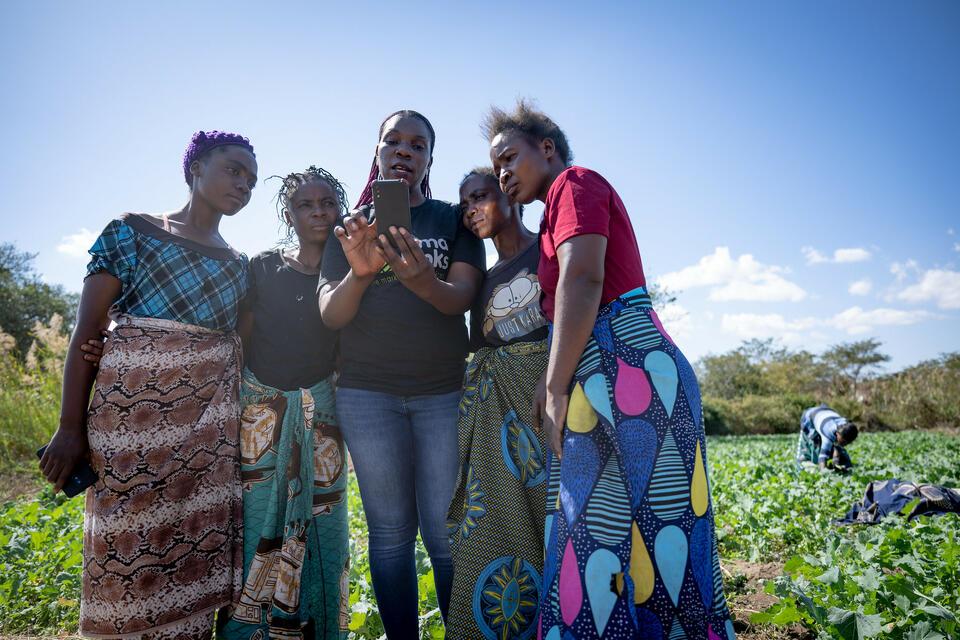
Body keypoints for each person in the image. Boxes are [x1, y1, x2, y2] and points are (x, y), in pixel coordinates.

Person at [485, 101, 735, 639]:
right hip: (593, 371)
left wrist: (553, 387)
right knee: (588, 528)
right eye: (495, 165)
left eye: (509, 157)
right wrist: (554, 383)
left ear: (546, 148)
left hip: (636, 366)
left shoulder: (575, 183)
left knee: (666, 529)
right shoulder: (551, 214)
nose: (502, 173)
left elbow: (584, 281)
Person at [41, 131, 257, 639]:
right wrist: (69, 428)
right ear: (195, 168)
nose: (243, 183)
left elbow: (239, 350)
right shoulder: (131, 232)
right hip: (126, 432)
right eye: (233, 169)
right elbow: (87, 332)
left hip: (206, 444)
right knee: (123, 550)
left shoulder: (240, 267)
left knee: (190, 550)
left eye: (250, 178)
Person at [318, 110, 485, 637]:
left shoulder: (450, 220)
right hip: (368, 394)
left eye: (418, 144)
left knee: (443, 533)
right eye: (394, 141)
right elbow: (331, 315)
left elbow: (461, 297)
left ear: (430, 159)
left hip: (441, 392)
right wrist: (363, 273)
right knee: (390, 534)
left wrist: (418, 278)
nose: (405, 151)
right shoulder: (349, 228)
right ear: (377, 151)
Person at [218, 167, 351, 639]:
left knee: (325, 530)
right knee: (257, 526)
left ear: (341, 207)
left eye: (327, 202)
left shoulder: (355, 271)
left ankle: (318, 629)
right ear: (288, 214)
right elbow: (242, 339)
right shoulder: (263, 266)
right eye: (304, 205)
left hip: (323, 412)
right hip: (261, 414)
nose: (318, 211)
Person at [445, 167, 549, 639]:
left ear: (510, 197)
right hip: (498, 433)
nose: (471, 210)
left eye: (480, 197)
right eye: (465, 203)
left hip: (553, 412)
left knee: (562, 525)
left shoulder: (547, 250)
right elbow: (482, 355)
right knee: (500, 532)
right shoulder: (482, 284)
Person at [797, 403, 858, 472]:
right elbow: (822, 458)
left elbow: (838, 446)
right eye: (843, 442)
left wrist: (836, 461)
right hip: (809, 418)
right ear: (837, 434)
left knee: (842, 456)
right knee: (813, 451)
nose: (845, 444)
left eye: (847, 443)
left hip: (827, 413)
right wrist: (824, 473)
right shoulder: (828, 433)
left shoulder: (846, 425)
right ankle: (801, 470)